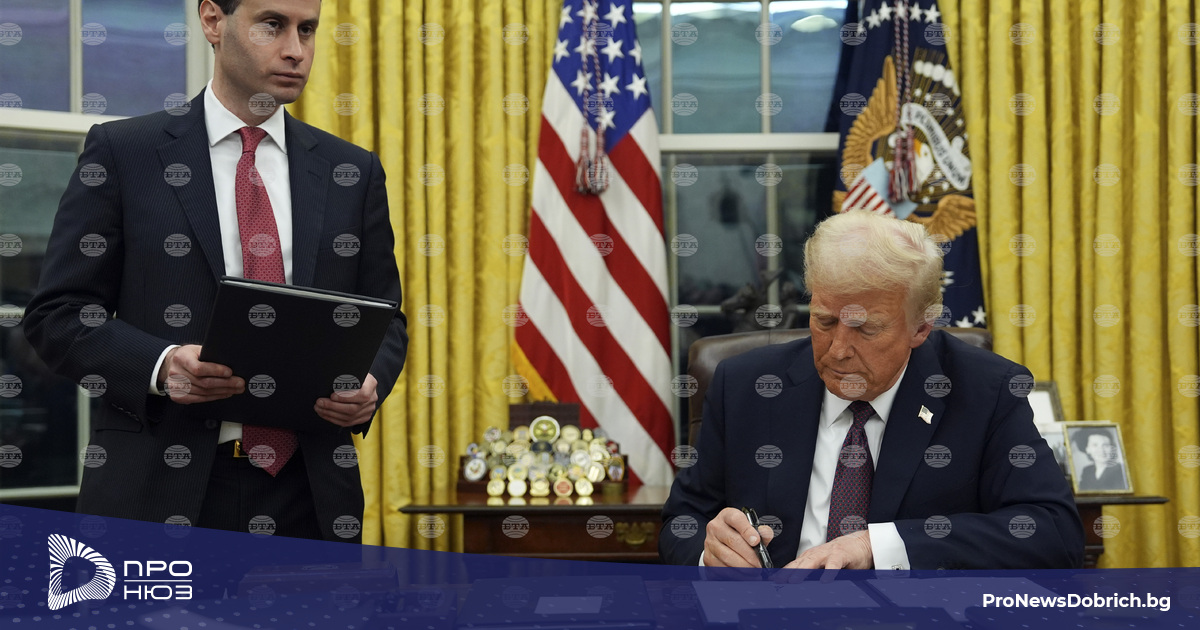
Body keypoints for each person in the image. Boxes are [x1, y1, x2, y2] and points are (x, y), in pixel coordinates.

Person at [23, 0, 407, 542]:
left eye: (307, 30)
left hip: (312, 494)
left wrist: (370, 383)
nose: (295, 50)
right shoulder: (124, 152)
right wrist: (161, 365)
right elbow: (57, 316)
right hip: (156, 489)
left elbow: (386, 318)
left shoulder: (353, 171)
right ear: (211, 21)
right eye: (272, 25)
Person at [659, 210, 1083, 570]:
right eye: (825, 321)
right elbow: (683, 520)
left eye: (866, 329)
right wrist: (710, 552)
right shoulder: (746, 386)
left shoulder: (983, 391)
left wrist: (878, 547)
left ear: (921, 328)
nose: (838, 350)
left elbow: (1053, 533)